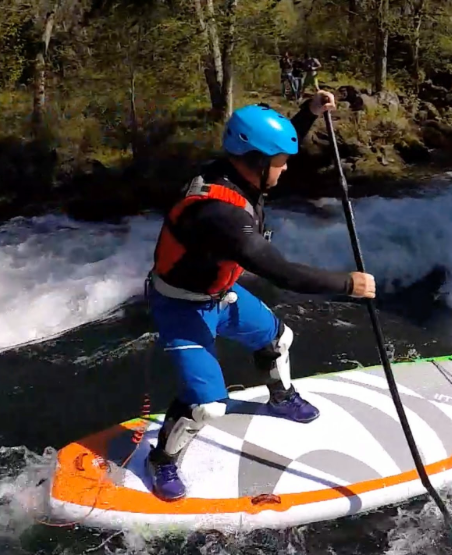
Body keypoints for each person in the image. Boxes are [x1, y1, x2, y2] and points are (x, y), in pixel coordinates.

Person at [145, 91, 376, 501]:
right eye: (281, 163)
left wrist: (307, 115)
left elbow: (268, 147)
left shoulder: (234, 170)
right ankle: (161, 460)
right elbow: (281, 273)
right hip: (181, 306)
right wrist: (348, 284)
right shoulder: (220, 215)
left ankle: (281, 398)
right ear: (256, 163)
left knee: (277, 339)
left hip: (219, 293)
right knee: (207, 408)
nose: (286, 169)